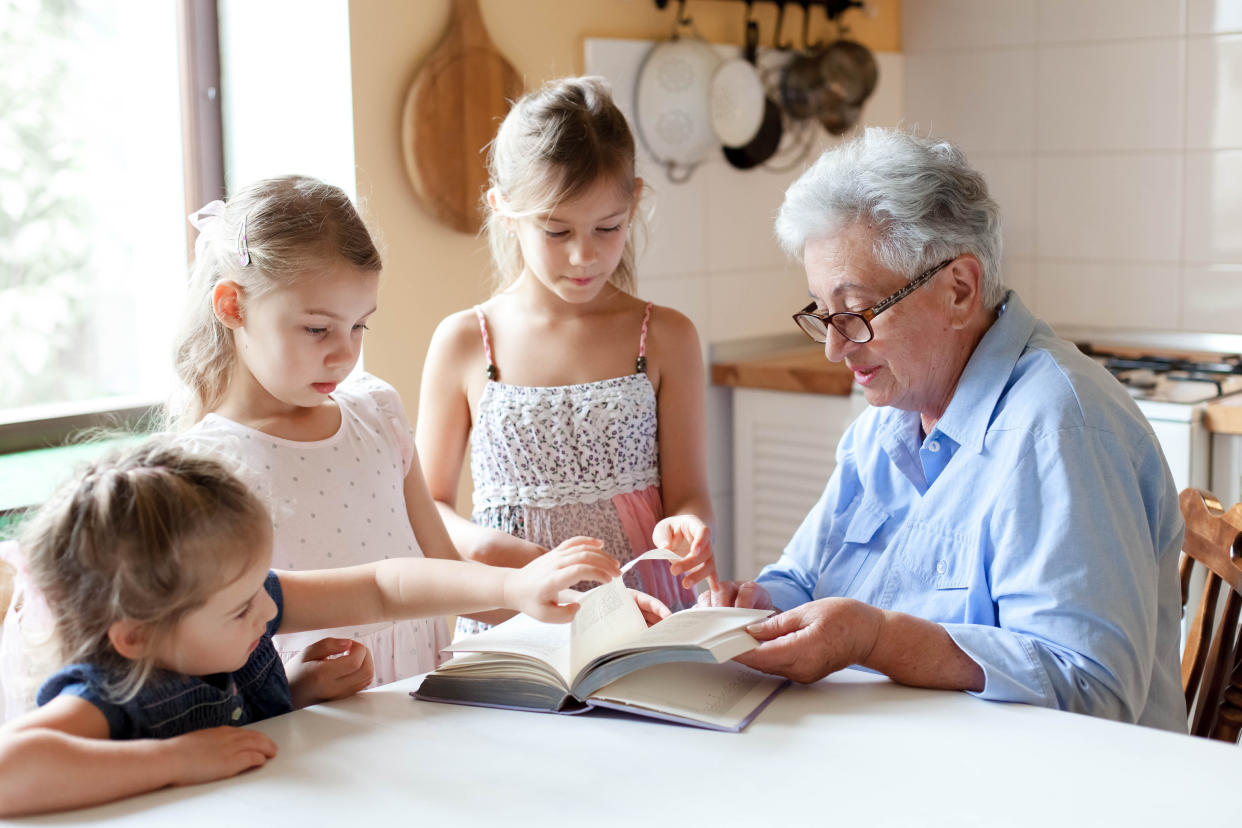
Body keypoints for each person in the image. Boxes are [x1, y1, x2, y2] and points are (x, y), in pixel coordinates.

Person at [705, 128, 1187, 732]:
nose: (833, 347)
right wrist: (754, 608)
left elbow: (1091, 691)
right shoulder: (888, 418)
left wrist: (877, 639)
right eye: (823, 313)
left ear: (959, 289)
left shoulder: (1058, 429)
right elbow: (805, 578)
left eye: (854, 312)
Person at [0, 440, 624, 816]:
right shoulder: (111, 693)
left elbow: (380, 586)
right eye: (242, 607)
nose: (269, 613)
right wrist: (172, 760)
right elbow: (9, 769)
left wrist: (511, 588)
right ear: (135, 635)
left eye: (260, 587)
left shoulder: (230, 610)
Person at [416, 76, 718, 634]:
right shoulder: (464, 341)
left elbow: (690, 492)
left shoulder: (667, 337)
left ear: (635, 202)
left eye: (607, 228)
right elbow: (426, 503)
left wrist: (690, 525)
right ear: (504, 210)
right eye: (556, 231)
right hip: (508, 613)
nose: (583, 255)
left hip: (636, 611)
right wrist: (483, 543)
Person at [169, 175, 456, 686]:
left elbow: (447, 567)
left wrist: (557, 606)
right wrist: (292, 692)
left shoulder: (379, 413)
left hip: (428, 691)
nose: (344, 353)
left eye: (358, 326)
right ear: (233, 306)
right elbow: (202, 661)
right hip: (314, 730)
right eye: (317, 329)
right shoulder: (204, 467)